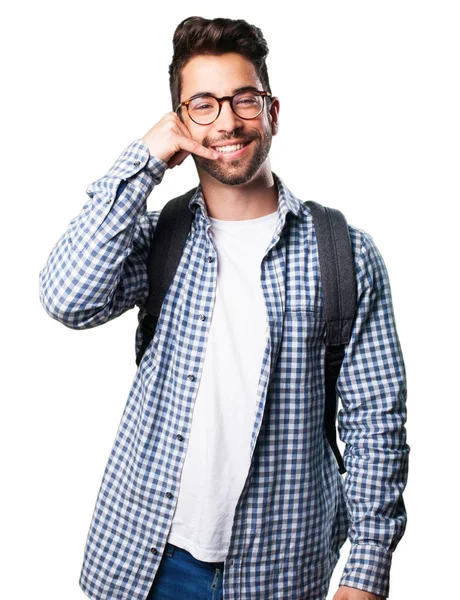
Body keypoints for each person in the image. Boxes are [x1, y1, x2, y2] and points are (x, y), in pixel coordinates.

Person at [38, 15, 409, 600]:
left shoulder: (346, 254)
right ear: (181, 124)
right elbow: (66, 296)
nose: (228, 121)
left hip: (282, 568)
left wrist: (365, 574)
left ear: (273, 111)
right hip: (146, 563)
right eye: (203, 105)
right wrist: (144, 159)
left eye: (244, 99)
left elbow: (375, 422)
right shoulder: (164, 238)